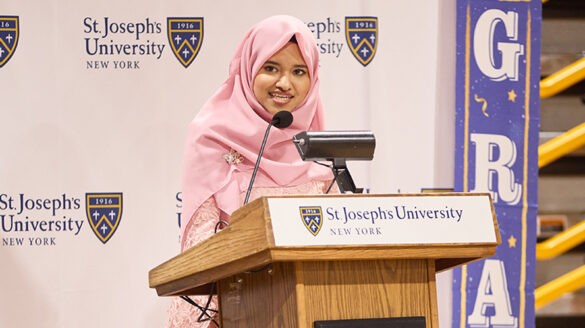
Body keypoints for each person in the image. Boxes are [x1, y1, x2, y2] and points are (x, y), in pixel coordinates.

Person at [165, 15, 334, 328]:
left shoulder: (317, 142)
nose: (285, 83)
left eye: (299, 71)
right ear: (249, 69)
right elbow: (201, 247)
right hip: (231, 312)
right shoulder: (212, 137)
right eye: (271, 68)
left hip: (313, 311)